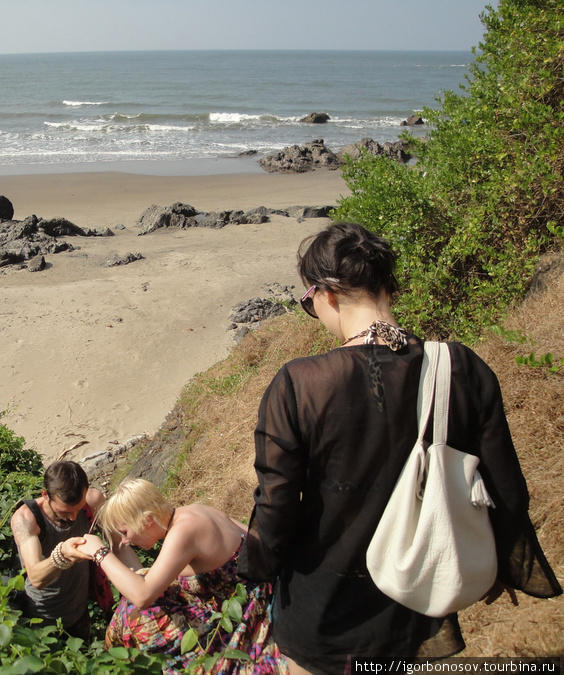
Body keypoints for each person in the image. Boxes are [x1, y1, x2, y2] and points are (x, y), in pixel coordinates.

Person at [240, 222, 561, 674]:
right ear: (387, 285)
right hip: (416, 595)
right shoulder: (461, 367)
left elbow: (275, 504)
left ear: (326, 294)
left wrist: (253, 567)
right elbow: (506, 487)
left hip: (323, 605)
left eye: (309, 302)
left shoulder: (302, 382)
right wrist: (504, 563)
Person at [77, 478, 285, 674]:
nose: (124, 541)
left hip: (248, 613)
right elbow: (253, 539)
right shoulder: (196, 511)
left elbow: (142, 596)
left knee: (133, 612)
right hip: (251, 596)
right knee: (141, 582)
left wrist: (100, 553)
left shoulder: (183, 532)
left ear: (148, 519)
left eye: (125, 532)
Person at [10, 460, 106, 640]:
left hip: (80, 610)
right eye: (65, 512)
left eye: (78, 509)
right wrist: (62, 554)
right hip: (43, 618)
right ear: (45, 495)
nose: (73, 517)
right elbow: (36, 577)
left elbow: (116, 543)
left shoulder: (93, 501)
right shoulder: (26, 519)